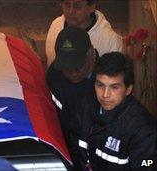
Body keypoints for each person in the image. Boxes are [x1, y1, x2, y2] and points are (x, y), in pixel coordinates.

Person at [73, 52, 157, 170]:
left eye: (114, 87)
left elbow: (147, 164)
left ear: (128, 89)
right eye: (100, 85)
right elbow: (74, 152)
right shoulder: (85, 107)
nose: (105, 94)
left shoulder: (143, 129)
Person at [46, 26, 98, 169]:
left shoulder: (107, 81)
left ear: (90, 53)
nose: (73, 73)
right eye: (67, 68)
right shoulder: (54, 76)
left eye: (78, 66)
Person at [45, 0, 122, 66]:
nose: (71, 11)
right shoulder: (56, 25)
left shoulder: (110, 41)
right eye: (67, 4)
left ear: (92, 7)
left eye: (77, 6)